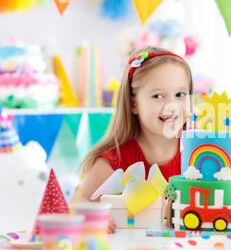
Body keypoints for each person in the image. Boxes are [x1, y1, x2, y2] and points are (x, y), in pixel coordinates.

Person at [78, 46, 193, 233]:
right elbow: (79, 204)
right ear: (133, 104)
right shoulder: (115, 160)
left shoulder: (201, 149)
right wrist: (93, 216)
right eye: (158, 96)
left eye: (180, 95)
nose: (172, 105)